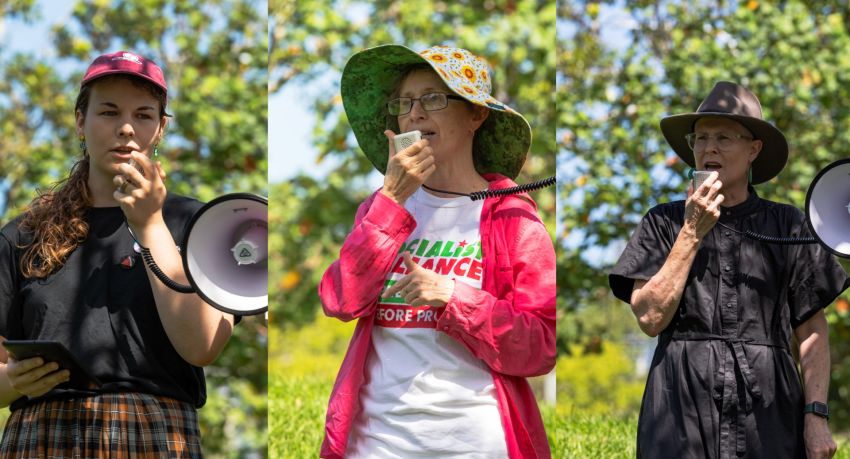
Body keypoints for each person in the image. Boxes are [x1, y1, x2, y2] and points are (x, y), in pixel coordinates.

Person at [318, 44, 556, 458]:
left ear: (476, 115)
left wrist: (452, 297)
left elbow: (540, 347)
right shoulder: (380, 207)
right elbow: (339, 301)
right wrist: (392, 200)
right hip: (376, 443)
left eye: (432, 98)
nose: (414, 114)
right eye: (404, 103)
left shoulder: (513, 218)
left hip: (476, 444)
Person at [0, 51, 236, 457]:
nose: (126, 128)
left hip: (156, 435)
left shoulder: (201, 224)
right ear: (80, 121)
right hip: (40, 436)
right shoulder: (21, 235)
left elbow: (202, 346)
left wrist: (150, 224)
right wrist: (13, 381)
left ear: (160, 129)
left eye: (143, 115)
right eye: (108, 112)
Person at [609, 81, 849, 458]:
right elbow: (650, 317)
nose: (710, 148)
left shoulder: (788, 225)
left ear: (754, 149)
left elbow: (812, 330)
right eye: (701, 138)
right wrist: (692, 231)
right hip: (680, 412)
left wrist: (816, 415)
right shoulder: (663, 222)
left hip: (770, 415)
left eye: (723, 137)